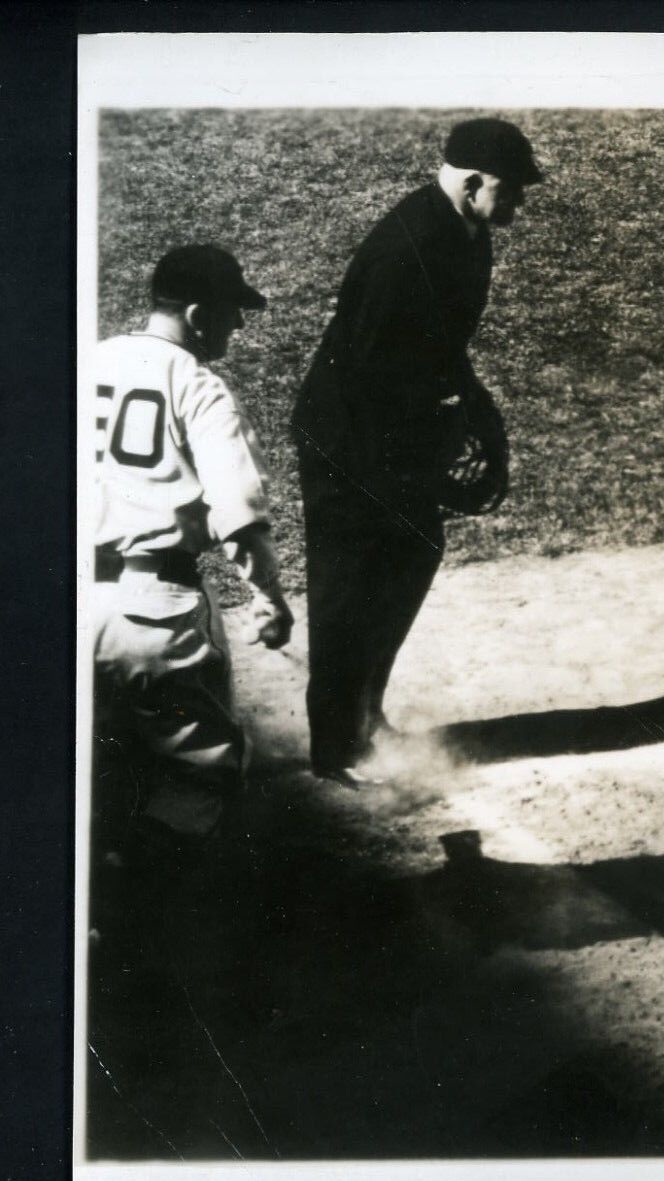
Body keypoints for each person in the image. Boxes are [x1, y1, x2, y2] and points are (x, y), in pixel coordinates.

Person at [291, 117, 542, 787]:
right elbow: (371, 370)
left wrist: (479, 410)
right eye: (511, 190)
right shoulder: (407, 246)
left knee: (411, 551)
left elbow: (442, 345)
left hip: (384, 432)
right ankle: (336, 747)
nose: (517, 202)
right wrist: (428, 452)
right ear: (471, 182)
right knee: (350, 583)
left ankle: (365, 713)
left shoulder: (468, 234)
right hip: (346, 437)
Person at [92, 244, 294, 855]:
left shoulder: (86, 361)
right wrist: (270, 598)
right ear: (201, 313)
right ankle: (150, 922)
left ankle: (87, 919)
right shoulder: (198, 386)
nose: (237, 325)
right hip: (153, 616)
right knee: (201, 780)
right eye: (234, 312)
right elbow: (239, 516)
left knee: (90, 771)